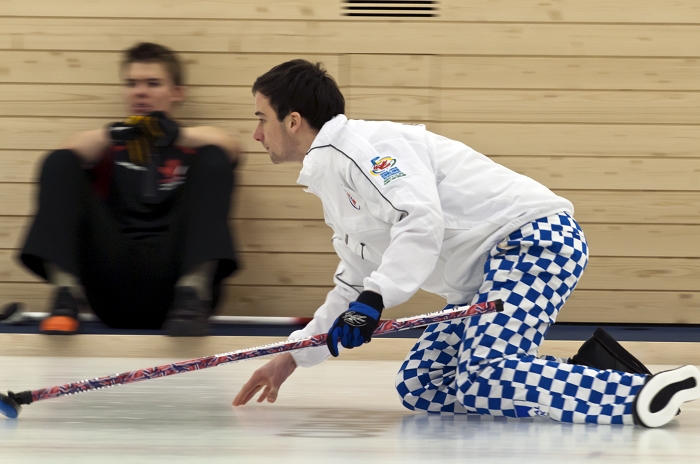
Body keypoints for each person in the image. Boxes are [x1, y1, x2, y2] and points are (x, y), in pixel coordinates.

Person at [232, 59, 700, 428]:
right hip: (484, 278)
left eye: (261, 118)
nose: (256, 133)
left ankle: (643, 394)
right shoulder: (335, 183)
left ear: (293, 120)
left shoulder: (366, 148)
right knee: (424, 386)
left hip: (533, 243)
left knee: (485, 375)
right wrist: (291, 357)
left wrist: (375, 300)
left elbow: (421, 219)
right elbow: (352, 283)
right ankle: (586, 380)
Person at [18, 42, 240, 337]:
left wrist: (173, 133)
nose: (140, 91)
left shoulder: (194, 148)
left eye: (152, 83)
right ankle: (65, 296)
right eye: (132, 83)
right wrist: (114, 133)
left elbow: (230, 146)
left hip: (179, 294)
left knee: (214, 157)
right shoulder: (109, 150)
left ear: (177, 92)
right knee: (59, 162)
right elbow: (64, 154)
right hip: (113, 287)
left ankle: (192, 291)